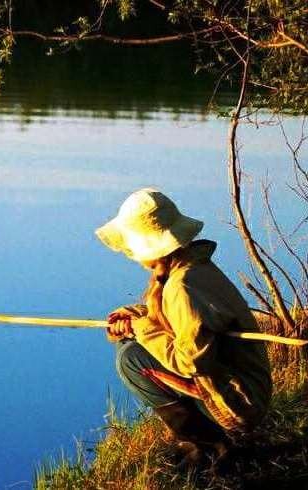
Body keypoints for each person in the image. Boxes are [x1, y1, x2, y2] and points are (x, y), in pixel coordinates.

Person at [95, 188, 272, 465]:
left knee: (130, 359)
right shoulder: (191, 267)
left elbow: (190, 362)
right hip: (245, 389)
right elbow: (185, 322)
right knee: (130, 345)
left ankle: (214, 445)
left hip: (239, 404)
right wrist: (137, 317)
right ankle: (207, 439)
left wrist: (142, 328)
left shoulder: (183, 286)